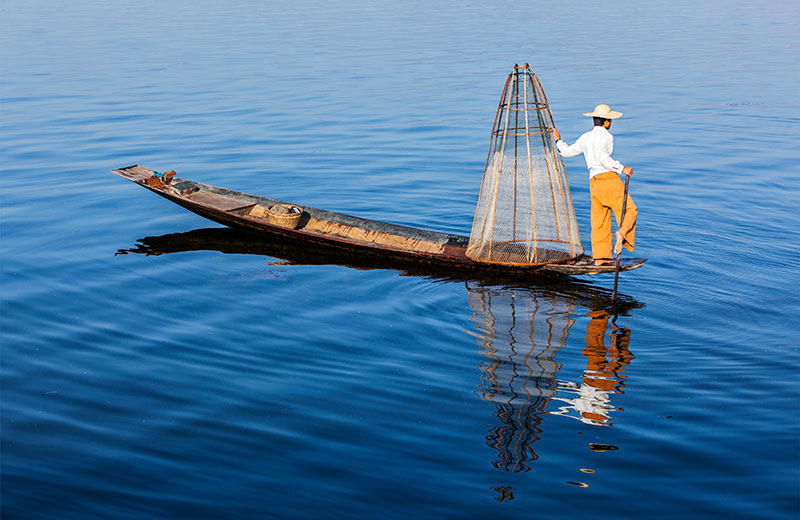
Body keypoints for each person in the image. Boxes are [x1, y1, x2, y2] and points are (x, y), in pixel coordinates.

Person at [552, 104, 637, 266]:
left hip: (594, 183)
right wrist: (622, 168)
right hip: (609, 180)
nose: (611, 123)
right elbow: (604, 159)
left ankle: (601, 258)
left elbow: (566, 152)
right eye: (610, 120)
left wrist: (558, 139)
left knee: (600, 221)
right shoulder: (606, 136)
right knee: (630, 210)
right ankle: (622, 233)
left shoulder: (586, 137)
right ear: (606, 122)